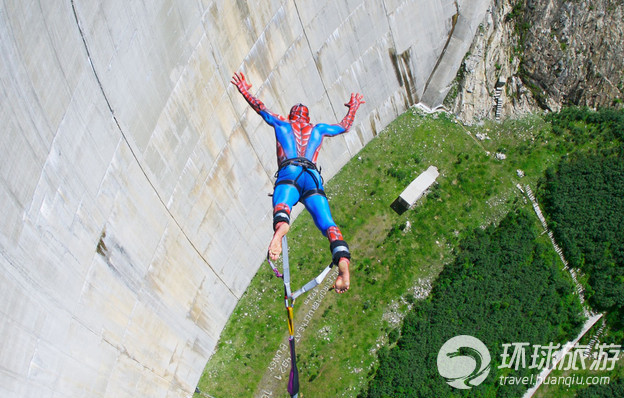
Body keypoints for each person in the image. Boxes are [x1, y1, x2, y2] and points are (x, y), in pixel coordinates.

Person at [231, 72, 364, 293]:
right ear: (307, 118)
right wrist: (354, 107)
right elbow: (344, 126)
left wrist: (244, 89)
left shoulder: (282, 123)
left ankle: (281, 225)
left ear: (291, 115)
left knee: (282, 207)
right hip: (312, 177)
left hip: (290, 172)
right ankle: (343, 266)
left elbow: (260, 107)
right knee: (329, 225)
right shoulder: (318, 129)